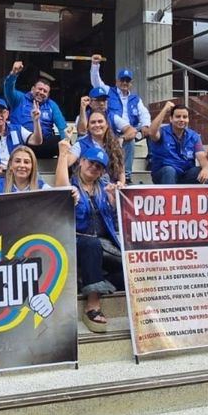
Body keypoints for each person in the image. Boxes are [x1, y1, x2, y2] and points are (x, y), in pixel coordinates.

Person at [55, 140, 122, 333]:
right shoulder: (72, 186)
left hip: (104, 246)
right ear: (81, 162)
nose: (94, 167)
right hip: (76, 242)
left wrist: (113, 202)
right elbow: (60, 187)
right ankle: (92, 304)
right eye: (91, 162)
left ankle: (87, 280)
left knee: (129, 272)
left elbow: (115, 222)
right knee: (91, 244)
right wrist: (62, 154)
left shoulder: (104, 188)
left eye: (99, 166)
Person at [91, 54, 151, 182]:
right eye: (122, 80)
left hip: (128, 131)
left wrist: (145, 125)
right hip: (111, 129)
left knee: (152, 130)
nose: (124, 83)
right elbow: (96, 83)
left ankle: (129, 175)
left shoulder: (136, 98)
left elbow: (144, 113)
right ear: (117, 81)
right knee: (130, 140)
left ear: (131, 83)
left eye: (127, 81)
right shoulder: (108, 91)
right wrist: (95, 66)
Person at [0, 97, 43, 189]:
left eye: (1, 111)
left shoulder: (17, 129)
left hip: (16, 171)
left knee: (36, 174)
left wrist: (36, 121)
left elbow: (37, 141)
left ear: (7, 114)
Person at [3, 60, 65, 158]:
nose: (41, 92)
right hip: (22, 144)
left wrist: (67, 143)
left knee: (62, 142)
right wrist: (13, 74)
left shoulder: (52, 105)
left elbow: (62, 127)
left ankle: (69, 172)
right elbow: (8, 88)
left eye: (45, 91)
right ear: (32, 89)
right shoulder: (19, 99)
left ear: (48, 95)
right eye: (39, 89)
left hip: (43, 145)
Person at [148, 102, 208, 185]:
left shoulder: (193, 136)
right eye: (178, 117)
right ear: (171, 119)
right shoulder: (162, 132)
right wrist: (165, 109)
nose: (181, 119)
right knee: (169, 171)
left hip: (185, 174)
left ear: (188, 119)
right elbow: (151, 132)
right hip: (164, 173)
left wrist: (205, 169)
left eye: (185, 117)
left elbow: (201, 156)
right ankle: (170, 198)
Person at [75, 110, 128, 187]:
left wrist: (121, 184)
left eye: (100, 121)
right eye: (93, 122)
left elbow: (121, 172)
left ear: (107, 125)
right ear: (88, 127)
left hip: (110, 189)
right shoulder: (80, 144)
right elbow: (66, 163)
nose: (97, 125)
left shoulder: (115, 144)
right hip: (87, 189)